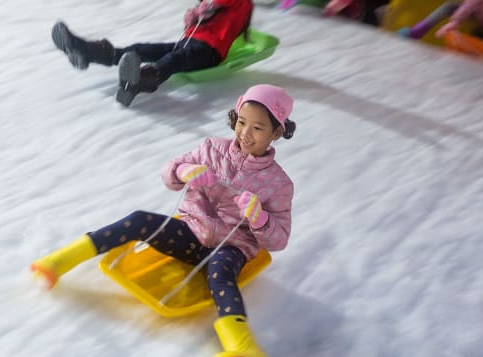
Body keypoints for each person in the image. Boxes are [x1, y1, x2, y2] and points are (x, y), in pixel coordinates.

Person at [31, 84, 297, 357]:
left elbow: (279, 239)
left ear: (276, 132)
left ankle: (244, 347)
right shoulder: (211, 149)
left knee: (220, 276)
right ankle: (59, 261)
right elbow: (170, 170)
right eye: (242, 122)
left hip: (232, 247)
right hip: (191, 231)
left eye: (258, 128)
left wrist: (259, 218)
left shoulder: (279, 184)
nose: (245, 133)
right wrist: (185, 170)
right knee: (138, 220)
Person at [51, 0, 253, 107]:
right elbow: (200, 18)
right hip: (188, 43)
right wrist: (191, 18)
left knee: (174, 59)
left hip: (210, 52)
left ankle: (140, 81)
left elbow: (218, 4)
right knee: (141, 49)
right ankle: (88, 52)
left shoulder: (242, 3)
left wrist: (204, 8)